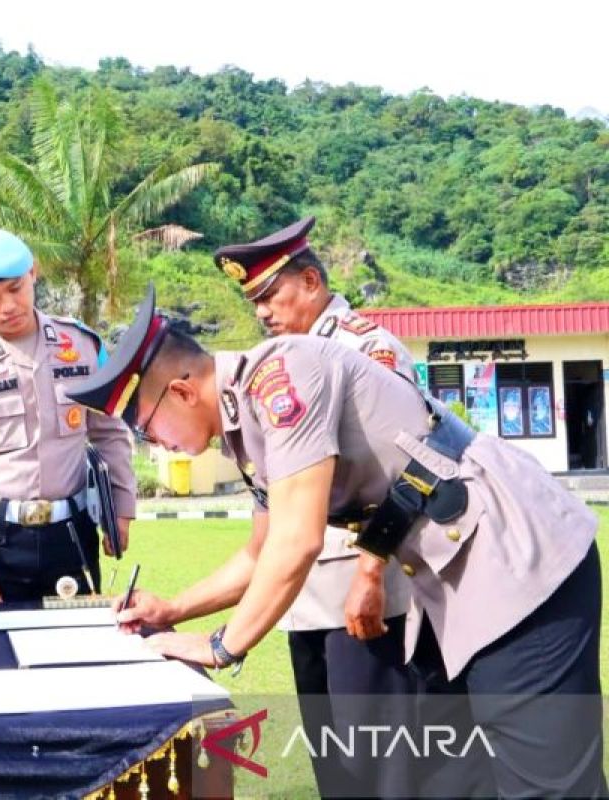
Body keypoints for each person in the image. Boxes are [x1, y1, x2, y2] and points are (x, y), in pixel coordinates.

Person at [66, 285, 604, 798]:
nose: (159, 445)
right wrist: (175, 608)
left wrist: (219, 646)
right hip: (451, 577)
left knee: (545, 782)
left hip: (516, 563)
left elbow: (296, 542)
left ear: (182, 391)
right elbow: (260, 552)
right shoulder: (247, 427)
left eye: (149, 429)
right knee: (454, 780)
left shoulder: (281, 377)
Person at [213, 218, 421, 795]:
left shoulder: (369, 349)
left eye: (270, 296)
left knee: (383, 766)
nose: (263, 313)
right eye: (253, 302)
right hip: (304, 595)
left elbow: (404, 473)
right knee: (334, 767)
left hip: (363, 592)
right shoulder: (273, 364)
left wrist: (371, 571)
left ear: (310, 281)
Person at [0, 228, 136, 607]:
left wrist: (121, 507)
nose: (8, 306)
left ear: (33, 272)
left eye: (16, 288)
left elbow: (110, 432)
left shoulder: (82, 347)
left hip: (71, 535)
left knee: (75, 654)